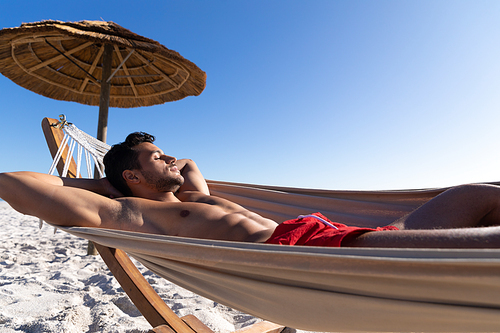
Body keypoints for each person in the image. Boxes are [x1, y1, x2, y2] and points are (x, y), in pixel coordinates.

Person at [1, 132, 500, 248]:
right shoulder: (130, 211)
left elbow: (189, 164)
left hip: (334, 232)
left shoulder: (192, 198)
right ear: (130, 178)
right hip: (312, 253)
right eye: (158, 158)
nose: (173, 160)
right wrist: (108, 181)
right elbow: (13, 183)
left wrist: (152, 158)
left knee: (478, 193)